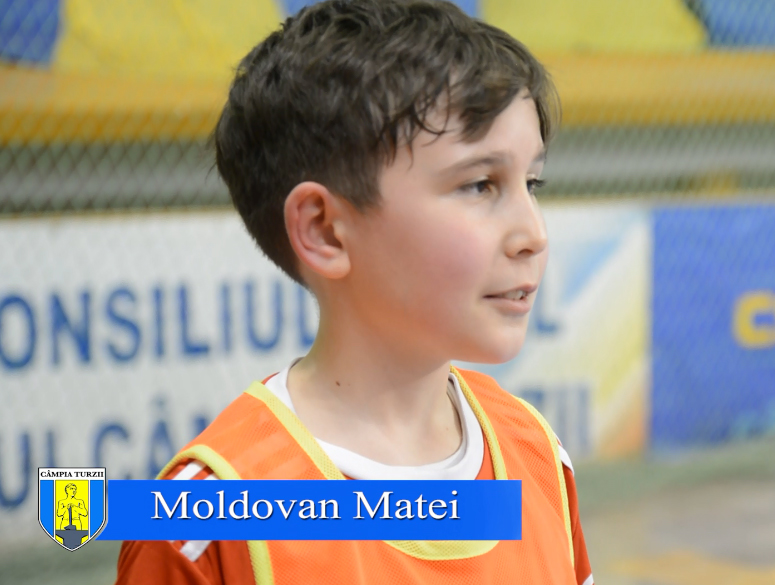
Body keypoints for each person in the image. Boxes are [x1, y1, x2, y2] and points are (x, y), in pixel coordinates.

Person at [114, 1, 594, 583]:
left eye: (532, 182)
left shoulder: (537, 453)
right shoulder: (203, 524)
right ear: (324, 230)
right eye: (479, 184)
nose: (535, 235)